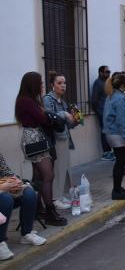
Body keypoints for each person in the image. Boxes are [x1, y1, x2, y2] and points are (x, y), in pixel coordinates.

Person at [14, 72, 67, 226]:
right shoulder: (26, 101)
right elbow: (43, 119)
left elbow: (44, 118)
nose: (42, 86)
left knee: (39, 177)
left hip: (35, 138)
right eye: (40, 83)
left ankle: (38, 209)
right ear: (32, 84)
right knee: (48, 175)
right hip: (34, 139)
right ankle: (50, 212)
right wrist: (50, 117)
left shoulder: (28, 100)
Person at [43, 72, 81, 210]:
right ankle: (54, 198)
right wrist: (63, 114)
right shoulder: (48, 99)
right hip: (55, 139)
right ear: (52, 85)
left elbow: (67, 124)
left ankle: (60, 195)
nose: (63, 85)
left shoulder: (63, 102)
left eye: (64, 83)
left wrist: (76, 120)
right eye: (59, 83)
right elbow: (48, 117)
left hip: (64, 137)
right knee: (57, 169)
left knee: (65, 169)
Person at [0, 153, 46, 260]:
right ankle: (0, 241)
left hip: (4, 189)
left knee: (29, 192)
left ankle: (26, 234)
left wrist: (16, 181)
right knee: (6, 198)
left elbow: (8, 173)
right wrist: (3, 187)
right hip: (3, 194)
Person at [103, 73, 125, 200]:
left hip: (113, 133)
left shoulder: (113, 96)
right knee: (120, 163)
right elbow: (122, 120)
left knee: (120, 162)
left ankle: (118, 188)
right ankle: (116, 190)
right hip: (118, 134)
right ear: (123, 85)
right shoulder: (120, 99)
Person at [91, 65, 113, 161]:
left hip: (107, 112)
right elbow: (94, 100)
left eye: (109, 71)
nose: (109, 73)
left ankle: (110, 151)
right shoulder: (98, 83)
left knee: (108, 131)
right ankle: (106, 153)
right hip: (102, 112)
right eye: (107, 72)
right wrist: (99, 111)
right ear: (101, 73)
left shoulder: (107, 83)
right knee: (105, 131)